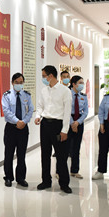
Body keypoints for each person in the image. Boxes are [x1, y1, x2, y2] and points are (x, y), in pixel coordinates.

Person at [34, 65, 72, 193]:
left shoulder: (65, 91)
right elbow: (40, 105)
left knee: (61, 156)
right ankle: (46, 181)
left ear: (50, 76)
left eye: (44, 76)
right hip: (45, 124)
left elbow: (67, 112)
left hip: (58, 125)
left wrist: (64, 130)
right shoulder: (44, 90)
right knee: (45, 154)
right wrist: (38, 116)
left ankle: (64, 183)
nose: (43, 78)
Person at [1, 72, 34, 187]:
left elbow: (31, 110)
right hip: (11, 128)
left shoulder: (27, 95)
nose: (19, 84)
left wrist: (24, 121)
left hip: (23, 128)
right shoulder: (6, 95)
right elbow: (6, 111)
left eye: (21, 82)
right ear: (12, 83)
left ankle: (21, 178)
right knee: (8, 154)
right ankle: (8, 177)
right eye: (16, 82)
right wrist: (17, 121)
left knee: (21, 154)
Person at [68, 75, 88, 179]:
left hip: (79, 122)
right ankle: (60, 171)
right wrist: (72, 123)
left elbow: (85, 112)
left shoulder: (83, 96)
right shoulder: (67, 94)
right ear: (74, 84)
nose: (82, 85)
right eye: (80, 83)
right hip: (68, 121)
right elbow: (65, 110)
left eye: (82, 83)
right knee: (65, 148)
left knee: (76, 147)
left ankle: (74, 171)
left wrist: (78, 122)